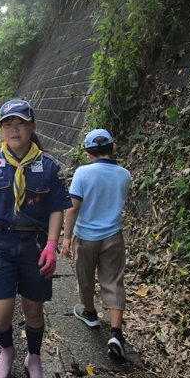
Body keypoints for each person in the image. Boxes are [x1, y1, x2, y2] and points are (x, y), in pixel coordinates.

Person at [0, 100, 72, 378]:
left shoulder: (48, 166)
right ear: (0, 130)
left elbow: (58, 206)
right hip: (0, 243)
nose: (14, 128)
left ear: (33, 127)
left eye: (20, 122)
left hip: (35, 245)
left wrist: (51, 244)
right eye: (7, 123)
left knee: (34, 312)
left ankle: (33, 357)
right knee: (0, 316)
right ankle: (7, 350)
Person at [60, 129, 131, 359]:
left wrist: (67, 237)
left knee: (85, 276)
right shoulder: (124, 174)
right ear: (114, 147)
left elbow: (73, 208)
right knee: (113, 280)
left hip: (86, 236)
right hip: (113, 236)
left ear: (88, 153)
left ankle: (90, 313)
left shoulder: (83, 173)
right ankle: (116, 332)